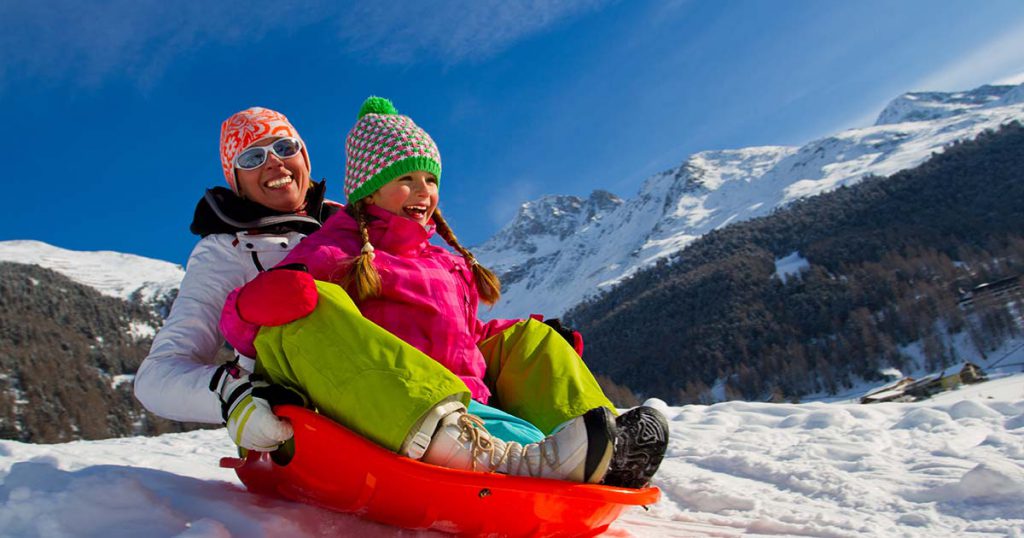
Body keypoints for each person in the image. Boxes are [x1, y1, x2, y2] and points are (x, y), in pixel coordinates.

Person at [219, 97, 668, 487]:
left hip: (472, 405)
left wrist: (530, 335)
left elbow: (466, 334)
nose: (423, 192)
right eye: (406, 180)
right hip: (388, 412)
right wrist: (251, 304)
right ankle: (499, 456)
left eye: (430, 180)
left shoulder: (445, 261)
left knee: (534, 338)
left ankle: (603, 445)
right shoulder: (336, 249)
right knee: (314, 305)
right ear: (369, 192)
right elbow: (258, 330)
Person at [134, 107, 341, 450]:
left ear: (305, 158)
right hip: (298, 431)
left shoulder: (353, 227)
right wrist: (235, 395)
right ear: (237, 182)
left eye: (285, 148)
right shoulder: (226, 249)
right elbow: (157, 377)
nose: (274, 163)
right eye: (252, 157)